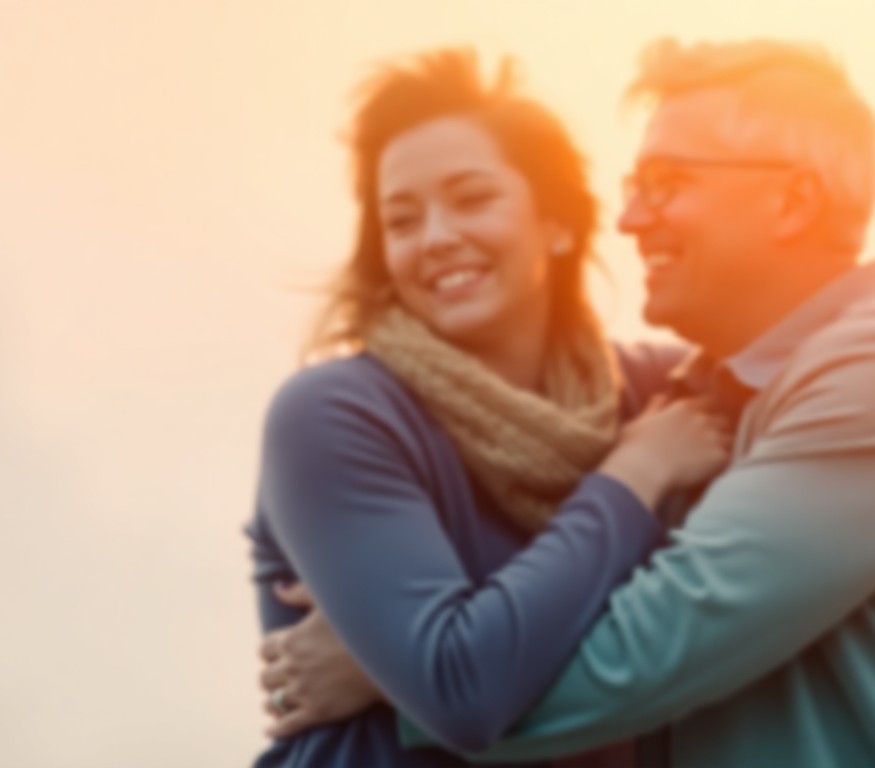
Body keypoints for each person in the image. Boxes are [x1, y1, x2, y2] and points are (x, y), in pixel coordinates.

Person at [264, 38, 875, 768]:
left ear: (792, 201)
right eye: (400, 219)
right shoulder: (685, 397)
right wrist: (426, 668)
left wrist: (402, 677)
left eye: (667, 183)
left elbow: (640, 652)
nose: (630, 218)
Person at [245, 47, 733, 768]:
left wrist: (387, 665)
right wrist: (634, 476)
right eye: (402, 220)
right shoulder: (334, 417)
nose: (437, 237)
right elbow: (462, 690)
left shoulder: (660, 392)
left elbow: (746, 614)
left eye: (472, 199)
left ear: (558, 221)